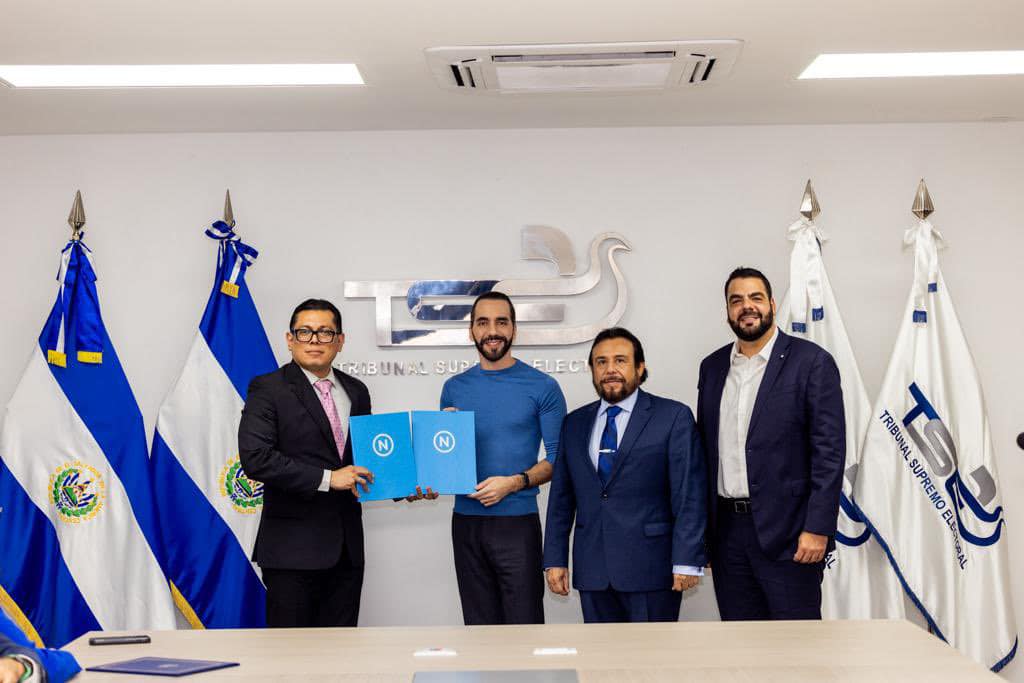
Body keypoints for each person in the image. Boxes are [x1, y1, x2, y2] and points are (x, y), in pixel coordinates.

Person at [697, 267, 844, 620]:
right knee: (741, 642)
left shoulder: (811, 363)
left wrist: (817, 528)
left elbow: (829, 453)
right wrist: (705, 537)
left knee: (797, 644)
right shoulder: (712, 368)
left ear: (773, 305)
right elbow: (706, 454)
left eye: (755, 298)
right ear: (728, 311)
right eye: (736, 300)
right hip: (727, 535)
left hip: (791, 535)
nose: (746, 307)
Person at [543, 328, 707, 623]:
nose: (610, 370)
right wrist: (554, 559)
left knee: (652, 653)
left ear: (640, 368)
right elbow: (561, 500)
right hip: (593, 570)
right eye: (601, 362)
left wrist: (687, 559)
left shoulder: (673, 417)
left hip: (652, 569)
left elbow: (689, 495)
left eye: (620, 360)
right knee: (599, 653)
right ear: (592, 370)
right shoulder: (574, 423)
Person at [433, 291, 567, 625]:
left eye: (501, 322)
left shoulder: (543, 386)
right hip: (465, 524)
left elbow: (558, 458)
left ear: (514, 329)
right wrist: (430, 474)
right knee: (478, 627)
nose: (492, 331)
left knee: (524, 625)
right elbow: (445, 457)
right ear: (471, 331)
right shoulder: (453, 388)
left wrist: (514, 483)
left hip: (517, 524)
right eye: (483, 322)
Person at [239, 298, 374, 628]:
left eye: (325, 332)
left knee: (342, 652)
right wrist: (329, 478)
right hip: (291, 553)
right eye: (305, 332)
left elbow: (365, 461)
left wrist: (406, 485)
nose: (315, 340)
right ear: (290, 339)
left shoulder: (357, 391)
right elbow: (257, 458)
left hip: (346, 551)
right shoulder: (267, 388)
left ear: (340, 341)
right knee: (292, 653)